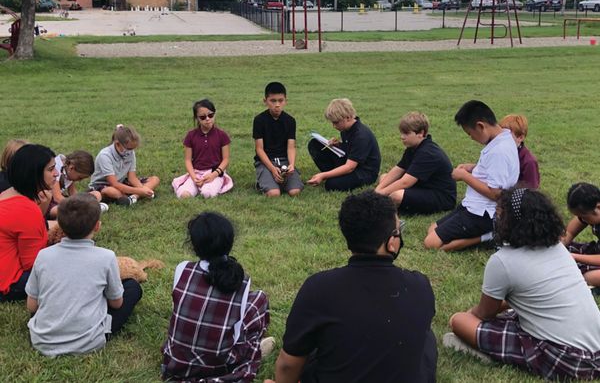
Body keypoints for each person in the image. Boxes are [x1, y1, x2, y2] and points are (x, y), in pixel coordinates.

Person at [268, 191, 437, 383]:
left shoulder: (319, 288)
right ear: (391, 243)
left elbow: (289, 363)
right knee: (427, 338)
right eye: (399, 231)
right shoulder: (419, 285)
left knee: (314, 345)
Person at [446, 188, 600, 380]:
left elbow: (484, 313)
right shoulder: (557, 247)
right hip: (596, 349)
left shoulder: (502, 261)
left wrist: (469, 315)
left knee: (458, 321)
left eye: (500, 215)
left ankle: (488, 351)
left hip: (567, 359)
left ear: (511, 222)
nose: (496, 219)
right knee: (510, 316)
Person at [26, 194, 143, 356]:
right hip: (90, 341)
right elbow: (116, 304)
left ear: (59, 224)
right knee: (133, 287)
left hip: (42, 340)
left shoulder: (43, 255)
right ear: (97, 226)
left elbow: (32, 306)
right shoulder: (106, 257)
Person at [162, 212, 271, 382]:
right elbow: (235, 332)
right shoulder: (242, 282)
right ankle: (255, 347)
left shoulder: (182, 269)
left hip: (176, 362)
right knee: (259, 298)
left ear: (194, 245)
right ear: (230, 242)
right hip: (220, 365)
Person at [424, 100, 519, 251]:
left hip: (484, 213)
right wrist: (472, 168)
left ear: (481, 126)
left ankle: (489, 235)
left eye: (470, 133)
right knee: (432, 229)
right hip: (472, 204)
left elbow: (496, 194)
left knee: (431, 244)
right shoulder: (503, 137)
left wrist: (464, 176)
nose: (471, 138)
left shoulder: (499, 151)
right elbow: (497, 171)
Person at [0, 144, 55, 302]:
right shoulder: (26, 209)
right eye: (51, 169)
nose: (56, 174)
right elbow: (32, 264)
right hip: (9, 283)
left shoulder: (6, 194)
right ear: (34, 173)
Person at [375, 112, 456, 214]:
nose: (402, 137)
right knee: (384, 177)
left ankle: (384, 209)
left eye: (406, 133)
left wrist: (381, 193)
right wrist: (378, 190)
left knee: (396, 196)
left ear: (421, 133)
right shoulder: (413, 147)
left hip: (441, 196)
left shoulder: (428, 153)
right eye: (401, 133)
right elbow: (398, 169)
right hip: (422, 186)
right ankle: (385, 201)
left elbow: (406, 182)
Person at [307, 99, 381, 191]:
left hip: (364, 172)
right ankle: (334, 174)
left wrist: (324, 175)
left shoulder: (361, 136)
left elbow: (350, 167)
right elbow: (350, 148)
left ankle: (331, 175)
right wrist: (338, 145)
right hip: (351, 162)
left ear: (348, 117)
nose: (334, 126)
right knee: (315, 144)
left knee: (331, 184)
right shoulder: (346, 129)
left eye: (336, 122)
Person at [171, 99, 233, 199]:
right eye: (203, 117)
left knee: (207, 193)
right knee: (184, 195)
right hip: (196, 172)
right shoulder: (191, 136)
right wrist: (193, 177)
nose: (207, 119)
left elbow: (226, 159)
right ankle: (194, 186)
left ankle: (210, 186)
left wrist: (214, 175)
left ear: (215, 114)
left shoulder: (222, 135)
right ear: (197, 118)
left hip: (215, 172)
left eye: (210, 115)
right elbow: (187, 160)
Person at [252, 82, 303, 197]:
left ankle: (279, 181)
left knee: (295, 192)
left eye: (281, 100)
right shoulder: (259, 120)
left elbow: (291, 147)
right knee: (274, 193)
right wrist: (272, 169)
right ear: (265, 101)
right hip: (266, 162)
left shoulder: (290, 121)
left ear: (286, 100)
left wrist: (292, 165)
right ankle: (263, 182)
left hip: (284, 160)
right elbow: (259, 149)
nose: (277, 105)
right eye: (273, 101)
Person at [89, 124, 160, 206]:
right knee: (109, 191)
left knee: (155, 179)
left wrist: (142, 188)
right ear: (117, 144)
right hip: (105, 185)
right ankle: (132, 196)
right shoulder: (105, 155)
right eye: (129, 149)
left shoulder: (130, 153)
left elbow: (132, 178)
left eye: (133, 149)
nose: (131, 151)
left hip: (122, 182)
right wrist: (139, 191)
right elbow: (114, 183)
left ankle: (131, 199)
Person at [47, 150, 107, 219]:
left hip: (61, 200)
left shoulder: (69, 171)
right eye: (79, 177)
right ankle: (87, 209)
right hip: (49, 203)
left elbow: (72, 193)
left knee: (96, 194)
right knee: (57, 211)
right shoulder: (56, 168)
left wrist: (80, 200)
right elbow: (57, 198)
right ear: (71, 167)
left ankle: (86, 209)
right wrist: (79, 204)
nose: (79, 180)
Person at [563, 182, 600, 287]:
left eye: (583, 216)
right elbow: (569, 232)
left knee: (589, 277)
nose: (582, 219)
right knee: (567, 248)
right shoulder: (590, 213)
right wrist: (561, 244)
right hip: (596, 251)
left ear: (598, 207)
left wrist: (575, 257)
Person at [498, 114, 540, 189]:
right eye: (501, 134)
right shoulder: (500, 153)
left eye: (507, 135)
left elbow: (531, 192)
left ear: (520, 137)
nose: (502, 138)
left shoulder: (529, 162)